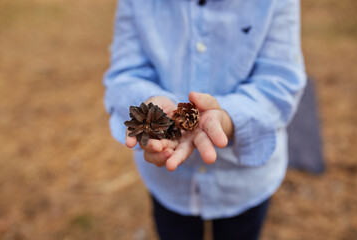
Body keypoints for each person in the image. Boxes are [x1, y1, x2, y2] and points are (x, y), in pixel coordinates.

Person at [103, 0, 306, 239]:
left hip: (245, 181)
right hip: (169, 183)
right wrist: (148, 102)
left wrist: (228, 118)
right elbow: (125, 73)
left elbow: (279, 82)